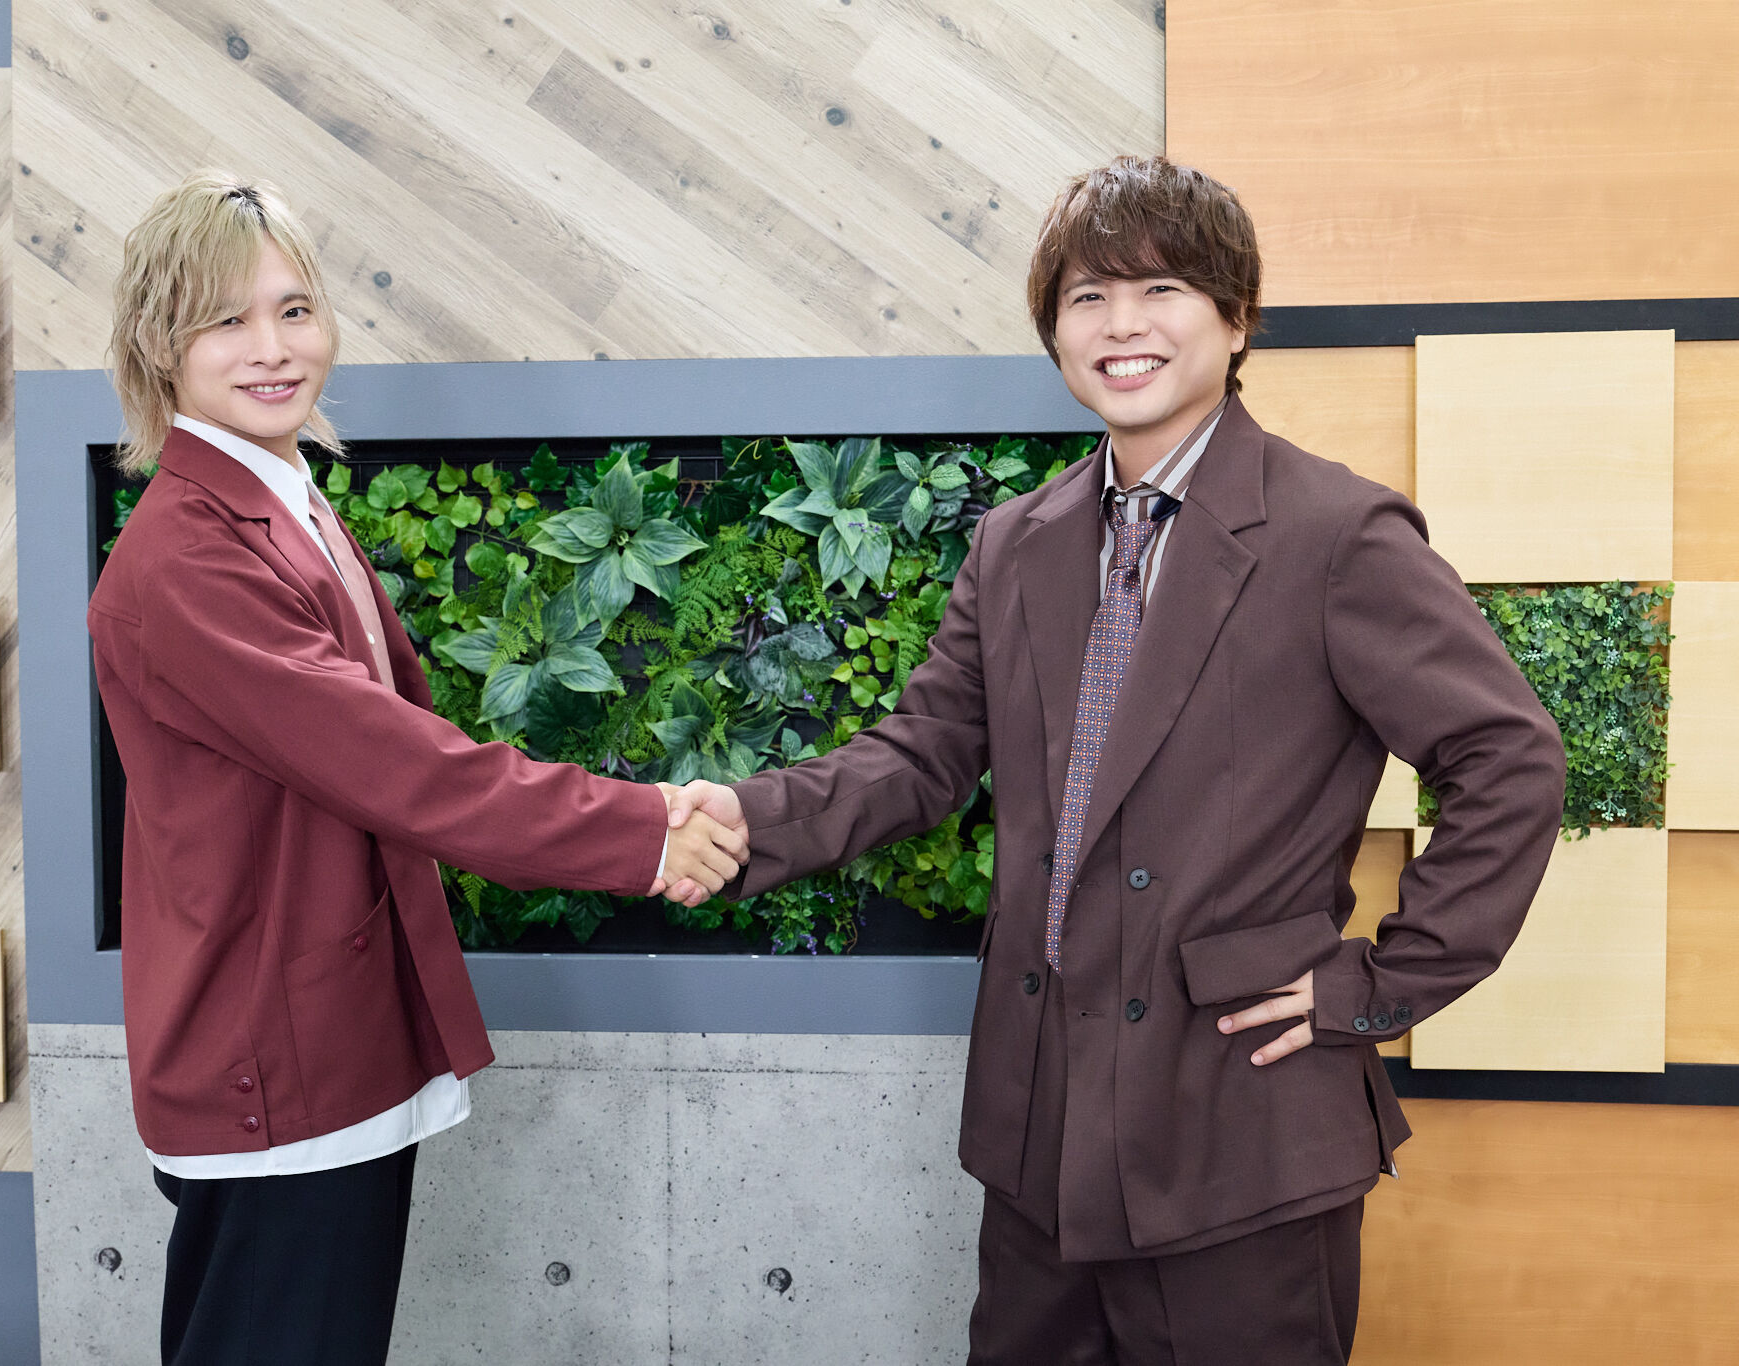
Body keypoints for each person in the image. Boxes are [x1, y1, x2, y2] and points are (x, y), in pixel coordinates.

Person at [661, 156, 1565, 1364]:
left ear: (1234, 319)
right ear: (1053, 331)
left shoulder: (1336, 533)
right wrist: (745, 817)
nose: (1120, 324)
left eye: (1160, 289)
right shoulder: (1014, 542)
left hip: (1235, 1124)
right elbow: (923, 752)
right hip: (1040, 1129)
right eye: (1087, 296)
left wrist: (1380, 979)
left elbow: (1507, 757)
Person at [88, 171, 746, 1366]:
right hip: (270, 1055)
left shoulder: (281, 503)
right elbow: (400, 766)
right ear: (157, 345)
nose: (273, 347)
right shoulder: (189, 556)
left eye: (295, 309)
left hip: (313, 1036)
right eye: (226, 320)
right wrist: (642, 829)